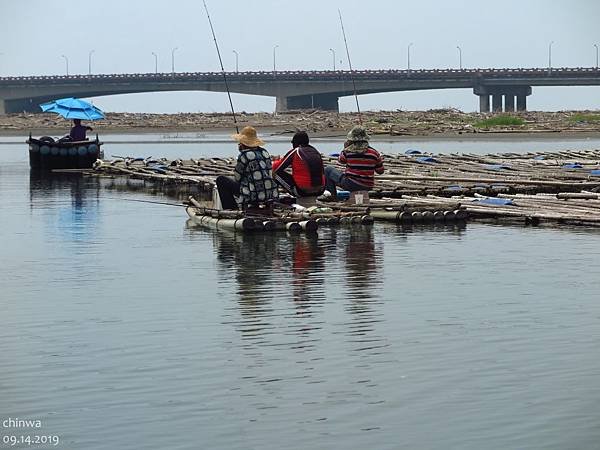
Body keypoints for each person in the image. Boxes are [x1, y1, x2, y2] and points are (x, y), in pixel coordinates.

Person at [215, 126, 279, 210]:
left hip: (252, 194)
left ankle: (231, 209)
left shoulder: (244, 155)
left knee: (221, 180)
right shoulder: (264, 152)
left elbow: (238, 178)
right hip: (270, 193)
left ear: (243, 143)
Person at [322, 125, 384, 199]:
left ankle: (333, 197)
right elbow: (380, 171)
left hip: (351, 184)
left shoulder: (348, 152)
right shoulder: (374, 153)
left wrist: (344, 148)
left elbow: (341, 160)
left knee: (328, 170)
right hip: (368, 185)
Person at [272, 131, 325, 197]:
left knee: (275, 173)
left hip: (302, 192)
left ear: (296, 143)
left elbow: (276, 168)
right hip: (320, 191)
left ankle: (274, 195)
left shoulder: (296, 151)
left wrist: (276, 160)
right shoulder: (315, 151)